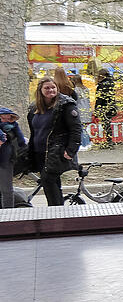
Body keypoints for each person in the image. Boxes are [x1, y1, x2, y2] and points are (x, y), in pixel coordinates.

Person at [27, 78, 81, 206]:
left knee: (48, 180)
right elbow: (34, 130)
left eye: (53, 87)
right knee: (52, 182)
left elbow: (76, 129)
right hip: (39, 152)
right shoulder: (34, 108)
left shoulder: (66, 105)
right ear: (40, 90)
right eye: (47, 88)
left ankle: (55, 212)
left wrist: (71, 150)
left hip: (57, 152)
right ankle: (58, 211)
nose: (51, 90)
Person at [0, 107, 27, 208]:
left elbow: (19, 138)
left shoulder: (13, 126)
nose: (6, 120)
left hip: (5, 159)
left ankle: (8, 215)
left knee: (6, 190)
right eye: (4, 118)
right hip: (6, 158)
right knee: (6, 190)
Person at [94, 69, 117, 148]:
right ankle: (109, 140)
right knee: (107, 124)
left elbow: (99, 99)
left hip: (103, 107)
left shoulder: (101, 85)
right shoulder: (111, 83)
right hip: (110, 106)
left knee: (106, 124)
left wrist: (97, 109)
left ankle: (109, 141)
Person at [69, 74, 92, 150]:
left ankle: (84, 144)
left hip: (80, 109)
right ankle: (87, 142)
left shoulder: (76, 90)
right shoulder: (86, 88)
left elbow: (76, 101)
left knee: (81, 128)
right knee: (84, 128)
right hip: (87, 109)